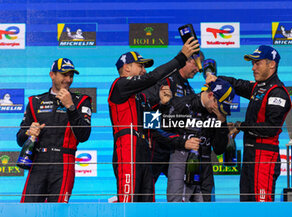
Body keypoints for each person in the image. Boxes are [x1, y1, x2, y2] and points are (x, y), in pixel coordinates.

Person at [108, 38, 200, 202]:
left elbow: (152, 127)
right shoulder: (119, 85)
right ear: (127, 68)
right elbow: (152, 78)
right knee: (128, 202)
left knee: (148, 203)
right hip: (127, 146)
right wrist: (180, 59)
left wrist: (163, 105)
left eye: (144, 67)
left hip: (144, 148)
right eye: (140, 65)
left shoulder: (141, 98)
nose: (144, 70)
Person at [208, 45, 291, 202]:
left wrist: (241, 126)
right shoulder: (258, 88)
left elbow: (271, 128)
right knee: (247, 205)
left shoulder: (277, 92)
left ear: (271, 64)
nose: (253, 68)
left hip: (264, 156)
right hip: (251, 155)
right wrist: (215, 79)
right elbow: (236, 84)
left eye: (257, 63)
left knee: (261, 206)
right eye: (252, 64)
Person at [17, 58, 92, 203]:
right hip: (38, 162)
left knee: (58, 212)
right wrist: (28, 132)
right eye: (64, 75)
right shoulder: (35, 101)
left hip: (64, 162)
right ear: (52, 75)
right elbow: (20, 139)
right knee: (28, 209)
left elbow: (84, 135)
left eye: (71, 76)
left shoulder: (81, 100)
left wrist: (70, 107)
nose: (68, 79)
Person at [160, 78, 233, 202]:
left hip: (205, 164)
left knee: (207, 210)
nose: (220, 109)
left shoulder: (218, 114)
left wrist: (222, 122)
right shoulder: (182, 104)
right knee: (178, 208)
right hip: (181, 159)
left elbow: (219, 149)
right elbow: (157, 131)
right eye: (219, 105)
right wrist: (183, 142)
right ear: (211, 95)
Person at [150, 51, 204, 185]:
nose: (198, 70)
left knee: (183, 188)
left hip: (175, 148)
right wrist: (150, 133)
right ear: (186, 60)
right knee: (146, 189)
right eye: (196, 64)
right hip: (156, 146)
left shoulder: (189, 90)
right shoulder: (166, 79)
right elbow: (150, 113)